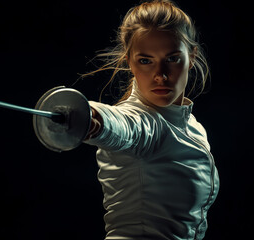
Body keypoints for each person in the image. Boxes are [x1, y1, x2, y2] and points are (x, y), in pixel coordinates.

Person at [83, 1, 219, 239]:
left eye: (172, 58)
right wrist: (91, 118)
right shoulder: (141, 121)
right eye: (145, 60)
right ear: (130, 62)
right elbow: (124, 126)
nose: (160, 75)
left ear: (192, 56)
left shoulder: (192, 126)